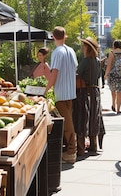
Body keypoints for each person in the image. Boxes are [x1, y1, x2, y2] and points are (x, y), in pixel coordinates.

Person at [44, 26, 79, 164]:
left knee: (67, 123)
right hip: (70, 91)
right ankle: (70, 150)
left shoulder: (57, 52)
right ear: (65, 36)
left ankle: (71, 151)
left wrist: (46, 90)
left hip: (61, 92)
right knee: (68, 120)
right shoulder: (70, 51)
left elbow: (54, 73)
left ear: (53, 37)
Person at [75, 37, 105, 156]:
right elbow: (98, 76)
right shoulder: (97, 61)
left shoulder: (86, 61)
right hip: (95, 92)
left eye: (84, 45)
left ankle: (81, 148)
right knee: (94, 117)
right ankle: (93, 145)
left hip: (84, 92)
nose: (82, 47)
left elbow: (78, 74)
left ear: (88, 48)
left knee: (83, 118)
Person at [104, 40, 121, 114]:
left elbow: (109, 65)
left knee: (113, 90)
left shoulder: (112, 53)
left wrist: (106, 75)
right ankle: (118, 109)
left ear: (114, 46)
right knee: (120, 91)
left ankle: (113, 104)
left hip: (113, 75)